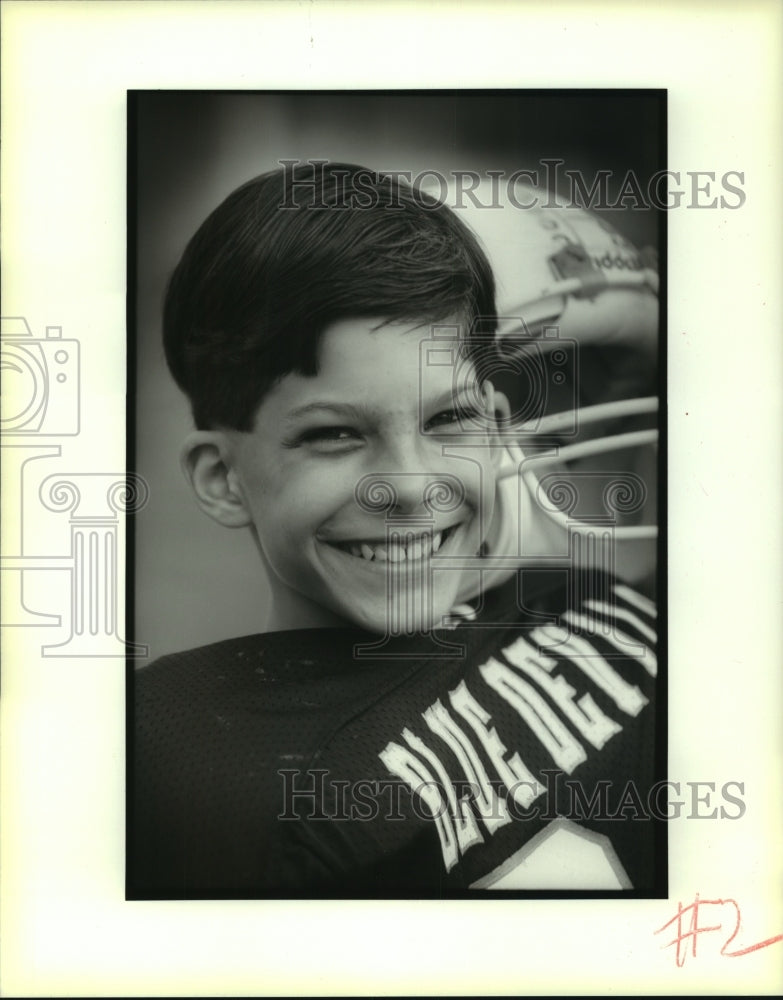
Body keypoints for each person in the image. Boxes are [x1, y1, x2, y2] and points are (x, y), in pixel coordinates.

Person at [129, 162, 660, 898]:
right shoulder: (188, 763)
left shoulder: (562, 592)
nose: (411, 487)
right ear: (222, 478)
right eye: (335, 435)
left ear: (499, 424)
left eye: (449, 418)